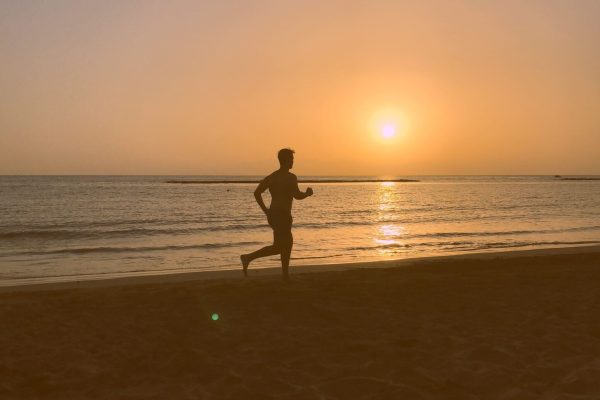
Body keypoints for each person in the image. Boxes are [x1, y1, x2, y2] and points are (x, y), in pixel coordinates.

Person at [240, 148, 313, 281]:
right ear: (285, 160)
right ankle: (250, 259)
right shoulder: (291, 177)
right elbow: (297, 196)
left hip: (273, 214)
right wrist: (307, 194)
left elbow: (257, 193)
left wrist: (266, 211)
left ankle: (249, 258)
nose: (292, 162)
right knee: (286, 244)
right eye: (291, 159)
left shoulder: (272, 177)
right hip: (282, 215)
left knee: (280, 246)